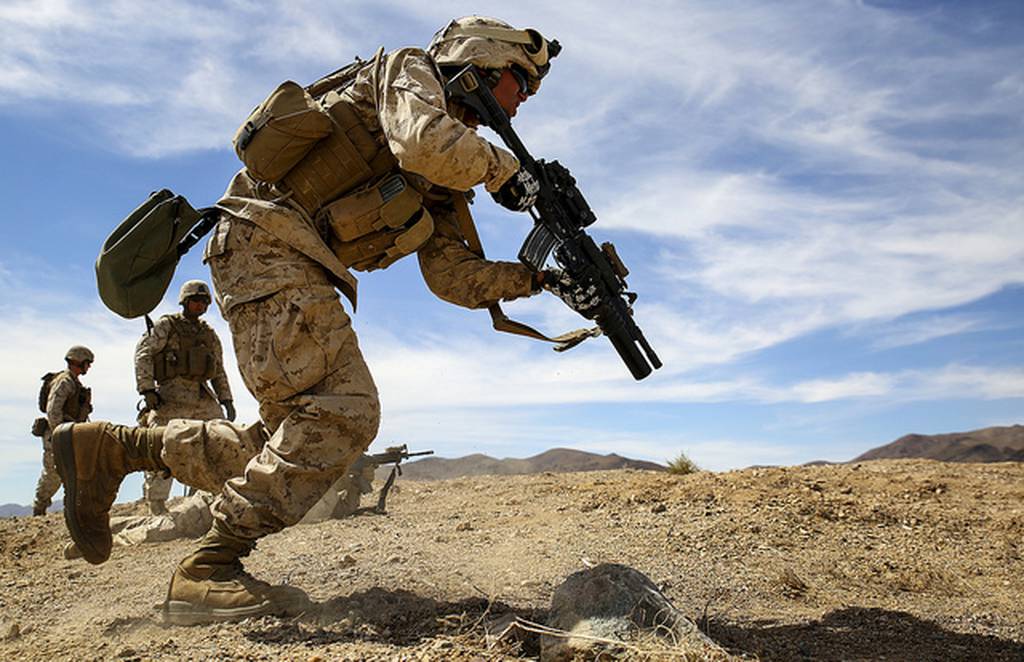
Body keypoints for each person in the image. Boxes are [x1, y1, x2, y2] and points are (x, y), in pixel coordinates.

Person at [54, 15, 569, 624]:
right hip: (267, 243)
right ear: (486, 58)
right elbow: (423, 141)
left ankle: (111, 449)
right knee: (346, 409)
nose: (523, 101)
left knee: (285, 438)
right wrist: (507, 172)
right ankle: (210, 567)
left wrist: (541, 280)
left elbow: (452, 276)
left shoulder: (447, 166)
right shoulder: (411, 73)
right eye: (522, 82)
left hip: (274, 258)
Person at [135, 280, 235, 515]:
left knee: (220, 440)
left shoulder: (208, 334)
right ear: (185, 302)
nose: (200, 306)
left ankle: (213, 496)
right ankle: (157, 505)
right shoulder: (166, 326)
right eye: (195, 301)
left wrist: (226, 399)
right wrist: (147, 389)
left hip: (200, 396)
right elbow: (143, 353)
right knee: (160, 447)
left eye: (203, 302)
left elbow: (218, 368)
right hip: (170, 397)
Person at [33, 345, 93, 516]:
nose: (88, 367)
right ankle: (39, 507)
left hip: (69, 434)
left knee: (74, 472)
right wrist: (60, 434)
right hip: (57, 435)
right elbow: (53, 411)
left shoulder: (74, 382)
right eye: (87, 363)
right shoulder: (64, 381)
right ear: (78, 362)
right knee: (53, 474)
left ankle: (73, 509)